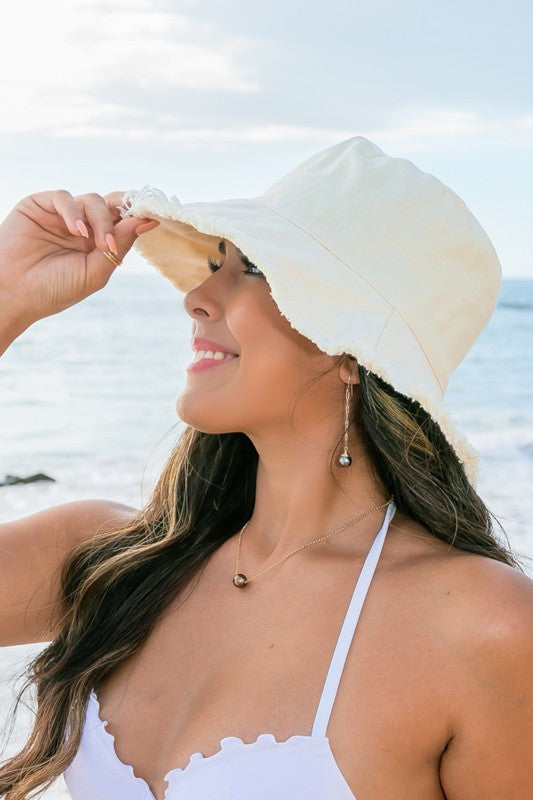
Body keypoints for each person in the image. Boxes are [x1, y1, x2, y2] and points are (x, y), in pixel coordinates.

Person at [0, 137, 531, 800]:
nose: (195, 296)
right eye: (216, 261)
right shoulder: (105, 563)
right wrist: (7, 295)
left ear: (349, 351)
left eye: (251, 268)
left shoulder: (481, 625)